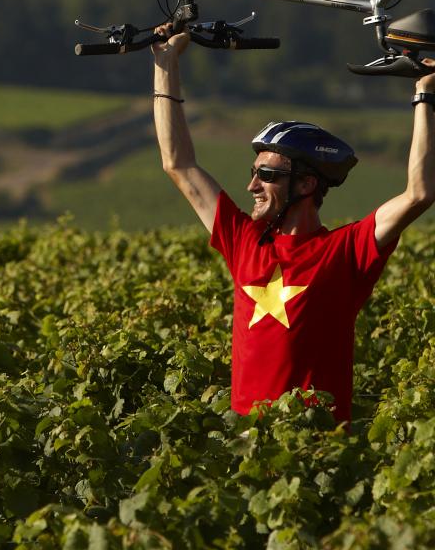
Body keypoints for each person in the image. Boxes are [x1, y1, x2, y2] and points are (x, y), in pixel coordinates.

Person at [152, 24, 435, 424]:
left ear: (306, 184)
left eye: (266, 175)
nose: (251, 185)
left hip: (317, 447)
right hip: (247, 449)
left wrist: (424, 94)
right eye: (253, 172)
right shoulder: (244, 240)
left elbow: (419, 193)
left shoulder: (345, 250)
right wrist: (166, 65)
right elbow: (177, 163)